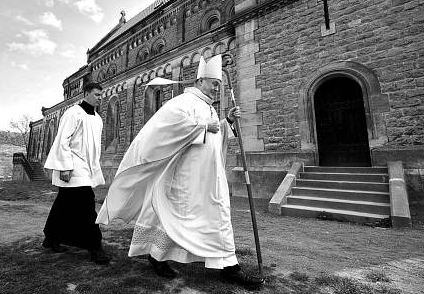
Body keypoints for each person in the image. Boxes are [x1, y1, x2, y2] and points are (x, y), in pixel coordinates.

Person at [96, 55, 264, 288]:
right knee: (172, 218)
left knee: (218, 216)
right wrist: (203, 127)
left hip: (209, 179)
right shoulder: (181, 102)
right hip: (185, 179)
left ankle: (227, 265)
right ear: (200, 81)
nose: (217, 88)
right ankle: (157, 257)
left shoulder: (208, 106)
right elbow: (167, 130)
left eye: (219, 84)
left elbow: (215, 135)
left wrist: (226, 122)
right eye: (214, 83)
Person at [42, 82, 110, 265]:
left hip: (87, 166)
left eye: (101, 95)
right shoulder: (73, 113)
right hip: (73, 165)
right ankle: (95, 246)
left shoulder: (97, 118)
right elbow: (62, 139)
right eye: (96, 94)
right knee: (86, 204)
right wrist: (64, 166)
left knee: (63, 204)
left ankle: (51, 238)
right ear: (86, 93)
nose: (100, 97)